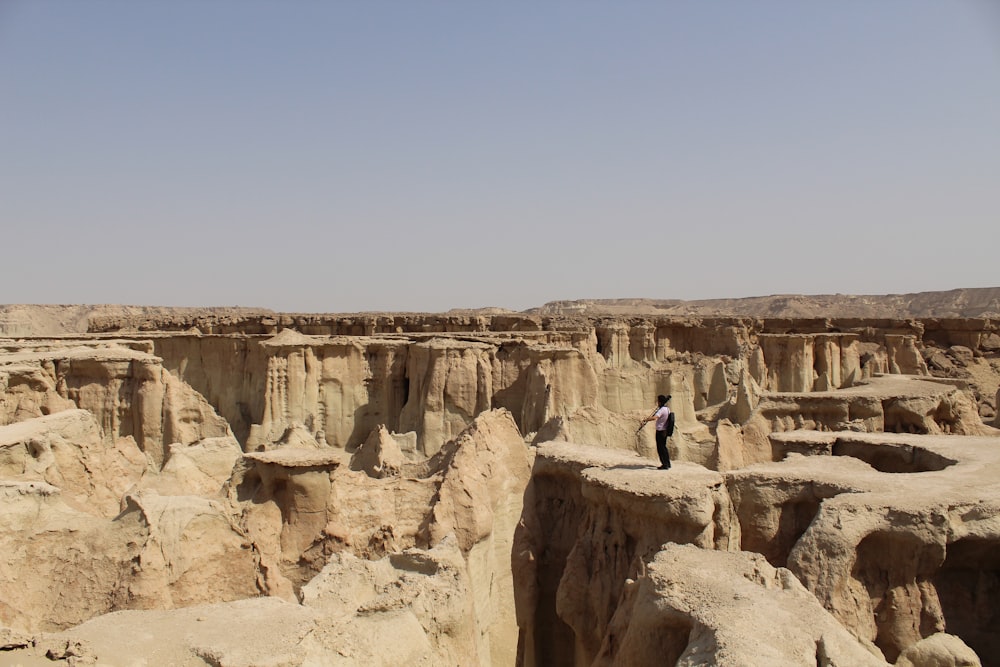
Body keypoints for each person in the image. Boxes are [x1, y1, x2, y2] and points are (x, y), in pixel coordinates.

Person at [641, 394, 672, 469]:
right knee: (664, 448)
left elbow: (655, 417)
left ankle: (664, 465)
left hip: (660, 431)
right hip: (664, 431)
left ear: (660, 402)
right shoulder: (667, 409)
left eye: (658, 401)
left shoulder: (661, 410)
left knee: (660, 448)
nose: (657, 402)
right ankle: (667, 463)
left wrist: (646, 419)